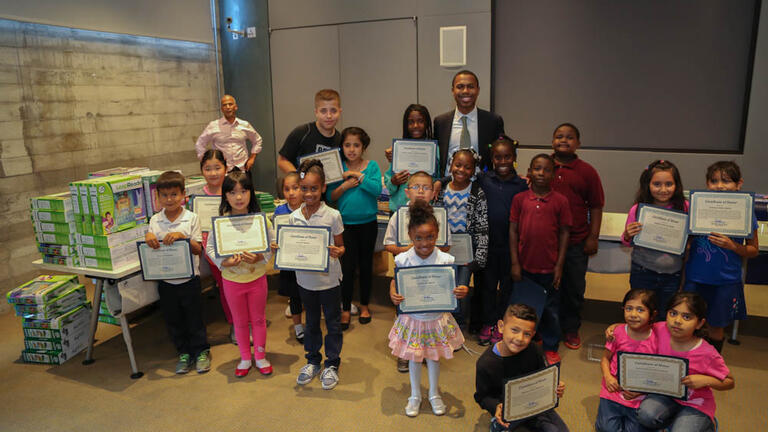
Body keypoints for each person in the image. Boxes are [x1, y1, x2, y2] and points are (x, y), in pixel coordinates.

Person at [388, 200, 467, 417]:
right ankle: (415, 394)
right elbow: (395, 281)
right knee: (414, 357)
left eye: (430, 237)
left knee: (433, 357)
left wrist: (461, 290)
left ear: (437, 234)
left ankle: (434, 393)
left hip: (436, 318)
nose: (424, 243)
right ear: (410, 237)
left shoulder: (445, 259)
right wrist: (393, 293)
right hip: (413, 318)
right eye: (419, 238)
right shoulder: (403, 259)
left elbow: (455, 285)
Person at [272, 159, 345, 390]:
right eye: (304, 188)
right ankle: (312, 360)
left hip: (329, 281)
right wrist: (280, 248)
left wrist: (336, 251)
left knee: (332, 323)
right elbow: (290, 247)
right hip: (305, 281)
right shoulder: (293, 217)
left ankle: (332, 363)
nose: (309, 193)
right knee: (311, 322)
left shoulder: (332, 215)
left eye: (314, 188)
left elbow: (342, 247)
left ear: (323, 187)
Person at [682, 161, 758, 352]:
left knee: (716, 326)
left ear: (739, 184)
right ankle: (690, 363)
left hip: (725, 281)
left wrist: (733, 246)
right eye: (714, 181)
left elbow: (753, 250)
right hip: (695, 278)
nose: (720, 186)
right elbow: (686, 242)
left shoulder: (746, 213)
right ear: (707, 184)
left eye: (726, 181)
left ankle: (711, 365)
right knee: (688, 322)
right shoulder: (697, 208)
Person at [205, 169, 274, 377]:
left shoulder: (261, 221)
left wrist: (260, 257)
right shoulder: (220, 223)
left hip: (256, 279)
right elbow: (209, 248)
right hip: (232, 281)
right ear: (225, 196)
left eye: (244, 191)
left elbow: (271, 246)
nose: (239, 197)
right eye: (233, 192)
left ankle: (260, 356)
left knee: (259, 319)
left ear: (251, 193)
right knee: (240, 322)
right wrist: (223, 262)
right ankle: (245, 358)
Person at [383, 171, 452, 373]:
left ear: (434, 193)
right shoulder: (398, 216)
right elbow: (389, 245)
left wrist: (427, 248)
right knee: (406, 317)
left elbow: (447, 246)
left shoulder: (440, 216)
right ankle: (405, 354)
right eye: (416, 187)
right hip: (407, 275)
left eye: (426, 187)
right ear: (407, 192)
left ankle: (426, 351)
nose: (421, 191)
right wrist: (411, 250)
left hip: (432, 276)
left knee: (429, 316)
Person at [635, 293, 735, 431]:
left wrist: (706, 380)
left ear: (699, 323)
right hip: (666, 395)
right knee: (646, 415)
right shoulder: (660, 329)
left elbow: (730, 382)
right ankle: (676, 420)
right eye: (673, 313)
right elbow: (636, 326)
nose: (677, 321)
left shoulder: (706, 352)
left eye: (687, 317)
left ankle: (706, 425)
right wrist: (614, 328)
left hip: (695, 402)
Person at [144, 171, 210, 374]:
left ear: (183, 195)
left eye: (174, 194)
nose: (169, 199)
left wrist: (183, 237)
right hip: (165, 282)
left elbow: (199, 249)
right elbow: (150, 244)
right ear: (157, 198)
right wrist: (148, 237)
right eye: (164, 195)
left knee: (194, 319)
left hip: (189, 280)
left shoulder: (191, 218)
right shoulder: (155, 220)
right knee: (173, 320)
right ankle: (183, 352)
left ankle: (201, 351)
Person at [509, 154, 572, 365]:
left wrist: (559, 266)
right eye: (537, 169)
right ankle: (527, 341)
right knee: (526, 308)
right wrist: (515, 263)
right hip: (525, 267)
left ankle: (551, 345)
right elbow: (513, 231)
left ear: (553, 174)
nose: (541, 174)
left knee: (551, 310)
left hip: (549, 268)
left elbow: (564, 234)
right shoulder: (520, 199)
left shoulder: (561, 202)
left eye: (546, 170)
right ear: (530, 171)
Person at [550, 123, 604, 351]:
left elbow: (597, 206)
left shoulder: (587, 171)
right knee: (551, 289)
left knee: (573, 288)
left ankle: (571, 328)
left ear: (578, 144)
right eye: (559, 136)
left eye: (570, 137)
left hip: (576, 241)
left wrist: (593, 236)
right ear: (552, 140)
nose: (564, 140)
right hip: (548, 243)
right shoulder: (544, 165)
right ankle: (549, 327)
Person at [474, 303, 568, 432]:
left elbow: (541, 376)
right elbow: (482, 397)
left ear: (533, 334)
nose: (520, 338)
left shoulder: (534, 349)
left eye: (527, 334)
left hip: (535, 404)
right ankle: (497, 425)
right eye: (514, 330)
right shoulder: (486, 363)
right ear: (501, 327)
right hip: (509, 410)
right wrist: (496, 406)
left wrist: (554, 386)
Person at [326, 127, 382, 329]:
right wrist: (345, 185)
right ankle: (346, 309)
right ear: (341, 147)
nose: (351, 149)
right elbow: (331, 196)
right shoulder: (337, 168)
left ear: (363, 147)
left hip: (368, 223)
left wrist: (358, 176)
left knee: (366, 266)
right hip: (345, 225)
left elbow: (376, 190)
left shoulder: (372, 166)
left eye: (356, 145)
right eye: (347, 145)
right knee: (346, 269)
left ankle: (365, 305)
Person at [475, 136, 528, 345]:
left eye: (507, 157)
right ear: (492, 159)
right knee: (487, 287)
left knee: (507, 288)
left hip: (511, 248)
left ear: (514, 158)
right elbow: (456, 175)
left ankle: (501, 323)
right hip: (488, 246)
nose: (503, 161)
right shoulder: (483, 180)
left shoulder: (523, 185)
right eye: (498, 157)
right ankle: (488, 322)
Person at [622, 160, 688, 320]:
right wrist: (628, 234)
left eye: (669, 184)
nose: (663, 189)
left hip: (672, 274)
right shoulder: (637, 209)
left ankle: (661, 345)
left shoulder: (685, 207)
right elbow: (627, 241)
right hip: (642, 271)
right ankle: (642, 345)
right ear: (648, 185)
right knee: (641, 314)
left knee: (666, 315)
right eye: (657, 184)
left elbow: (690, 239)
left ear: (677, 185)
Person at [434, 148, 489, 328]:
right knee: (444, 285)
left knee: (460, 288)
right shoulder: (441, 189)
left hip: (466, 252)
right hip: (443, 249)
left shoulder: (477, 193)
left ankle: (458, 326)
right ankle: (443, 322)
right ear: (450, 165)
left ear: (473, 171)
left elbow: (482, 227)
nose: (461, 170)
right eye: (457, 165)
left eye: (467, 167)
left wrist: (478, 259)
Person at [595, 289, 658, 432]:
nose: (633, 315)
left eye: (640, 310)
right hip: (613, 388)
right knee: (606, 429)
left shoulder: (657, 338)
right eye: (629, 309)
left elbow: (658, 371)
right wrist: (608, 377)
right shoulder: (617, 332)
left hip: (640, 393)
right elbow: (605, 358)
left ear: (653, 314)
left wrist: (642, 390)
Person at [433, 70, 504, 175]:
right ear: (453, 91)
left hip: (482, 185)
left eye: (470, 87)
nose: (465, 91)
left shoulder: (493, 121)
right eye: (460, 86)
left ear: (478, 90)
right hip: (448, 184)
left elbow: (502, 154)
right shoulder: (440, 122)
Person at [198, 150, 234, 342]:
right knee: (226, 289)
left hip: (236, 247)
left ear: (226, 168)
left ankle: (247, 323)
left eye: (217, 168)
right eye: (207, 169)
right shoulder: (198, 198)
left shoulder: (233, 190)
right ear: (202, 171)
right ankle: (234, 324)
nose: (213, 173)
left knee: (244, 285)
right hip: (215, 254)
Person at [384, 104, 440, 211]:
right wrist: (394, 182)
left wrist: (436, 182)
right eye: (411, 122)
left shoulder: (435, 150)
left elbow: (438, 178)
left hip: (425, 209)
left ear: (427, 123)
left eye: (420, 121)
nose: (415, 125)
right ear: (406, 125)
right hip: (399, 209)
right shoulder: (399, 149)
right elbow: (389, 187)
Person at [277, 89, 342, 174]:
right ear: (316, 112)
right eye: (323, 111)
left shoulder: (340, 139)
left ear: (340, 112)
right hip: (301, 185)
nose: (329, 116)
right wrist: (300, 177)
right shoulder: (302, 132)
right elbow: (282, 161)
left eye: (333, 111)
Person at [195, 95, 262, 172]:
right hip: (222, 171)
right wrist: (205, 162)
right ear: (222, 109)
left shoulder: (244, 125)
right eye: (224, 105)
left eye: (230, 104)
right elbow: (199, 144)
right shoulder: (213, 125)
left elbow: (257, 140)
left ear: (235, 107)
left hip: (243, 168)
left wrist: (252, 158)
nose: (228, 107)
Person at [275, 172, 305, 343]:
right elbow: (276, 237)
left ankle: (312, 324)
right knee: (294, 296)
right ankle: (298, 327)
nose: (291, 193)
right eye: (287, 189)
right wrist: (274, 244)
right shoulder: (280, 211)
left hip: (306, 263)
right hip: (289, 264)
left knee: (308, 294)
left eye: (296, 188)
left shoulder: (308, 208)